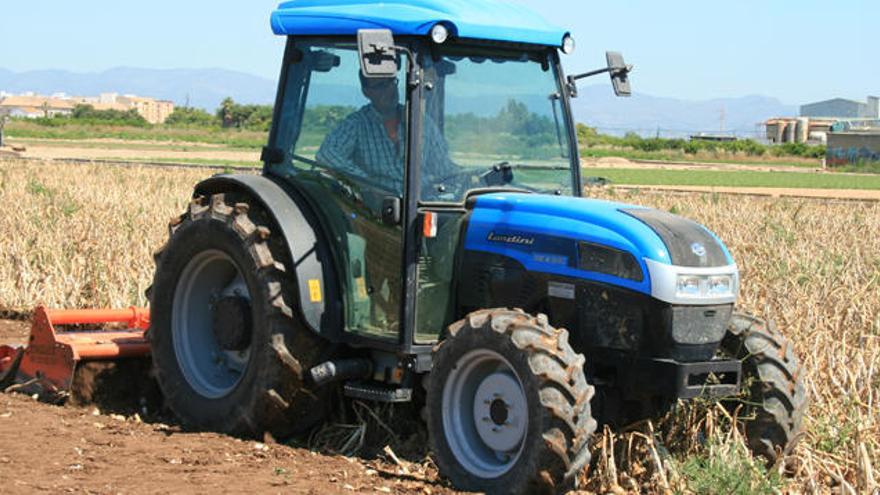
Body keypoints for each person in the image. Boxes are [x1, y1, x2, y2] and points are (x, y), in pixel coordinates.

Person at [316, 72, 457, 197]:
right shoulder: (357, 124)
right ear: (366, 92)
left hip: (420, 204)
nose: (390, 90)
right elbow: (326, 155)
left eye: (391, 82)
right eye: (381, 86)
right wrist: (368, 185)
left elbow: (444, 168)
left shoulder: (421, 122)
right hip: (377, 211)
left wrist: (465, 178)